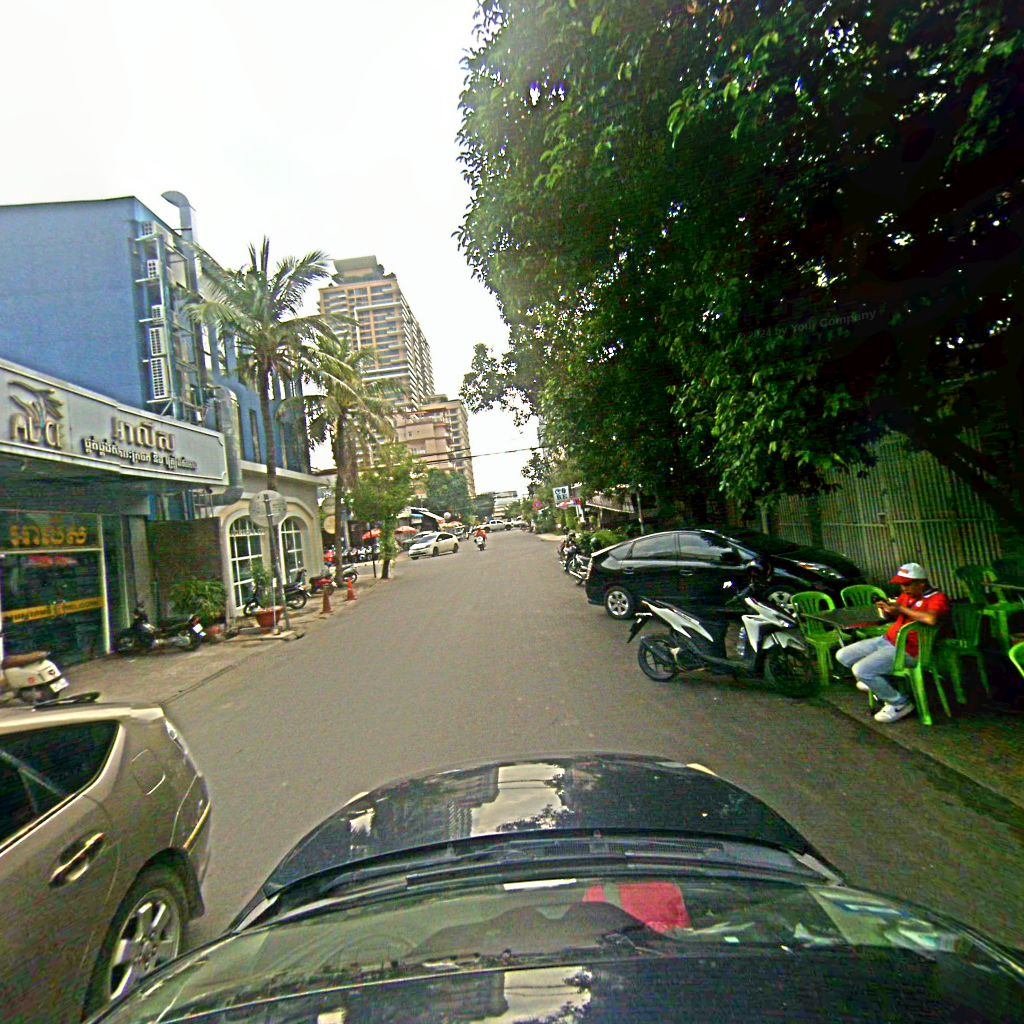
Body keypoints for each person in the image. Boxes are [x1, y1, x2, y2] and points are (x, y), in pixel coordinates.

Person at [835, 562, 951, 723]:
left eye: (907, 584)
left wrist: (901, 609)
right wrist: (888, 611)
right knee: (843, 655)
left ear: (921, 583)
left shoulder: (937, 598)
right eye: (901, 585)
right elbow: (896, 613)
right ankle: (879, 683)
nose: (903, 589)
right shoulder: (906, 595)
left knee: (861, 671)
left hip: (909, 649)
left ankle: (899, 703)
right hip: (887, 640)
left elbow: (931, 619)